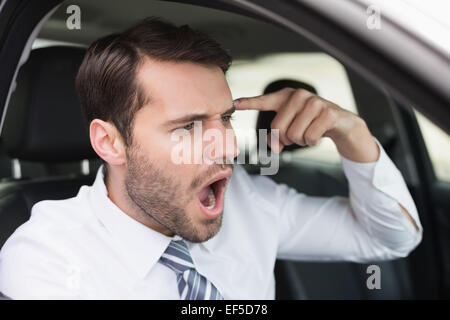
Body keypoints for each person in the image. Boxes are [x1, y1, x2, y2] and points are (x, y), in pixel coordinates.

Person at [0, 17, 422, 299]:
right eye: (188, 127)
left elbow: (390, 237)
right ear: (111, 143)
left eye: (225, 118)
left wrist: (352, 134)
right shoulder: (49, 259)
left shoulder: (250, 204)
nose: (228, 148)